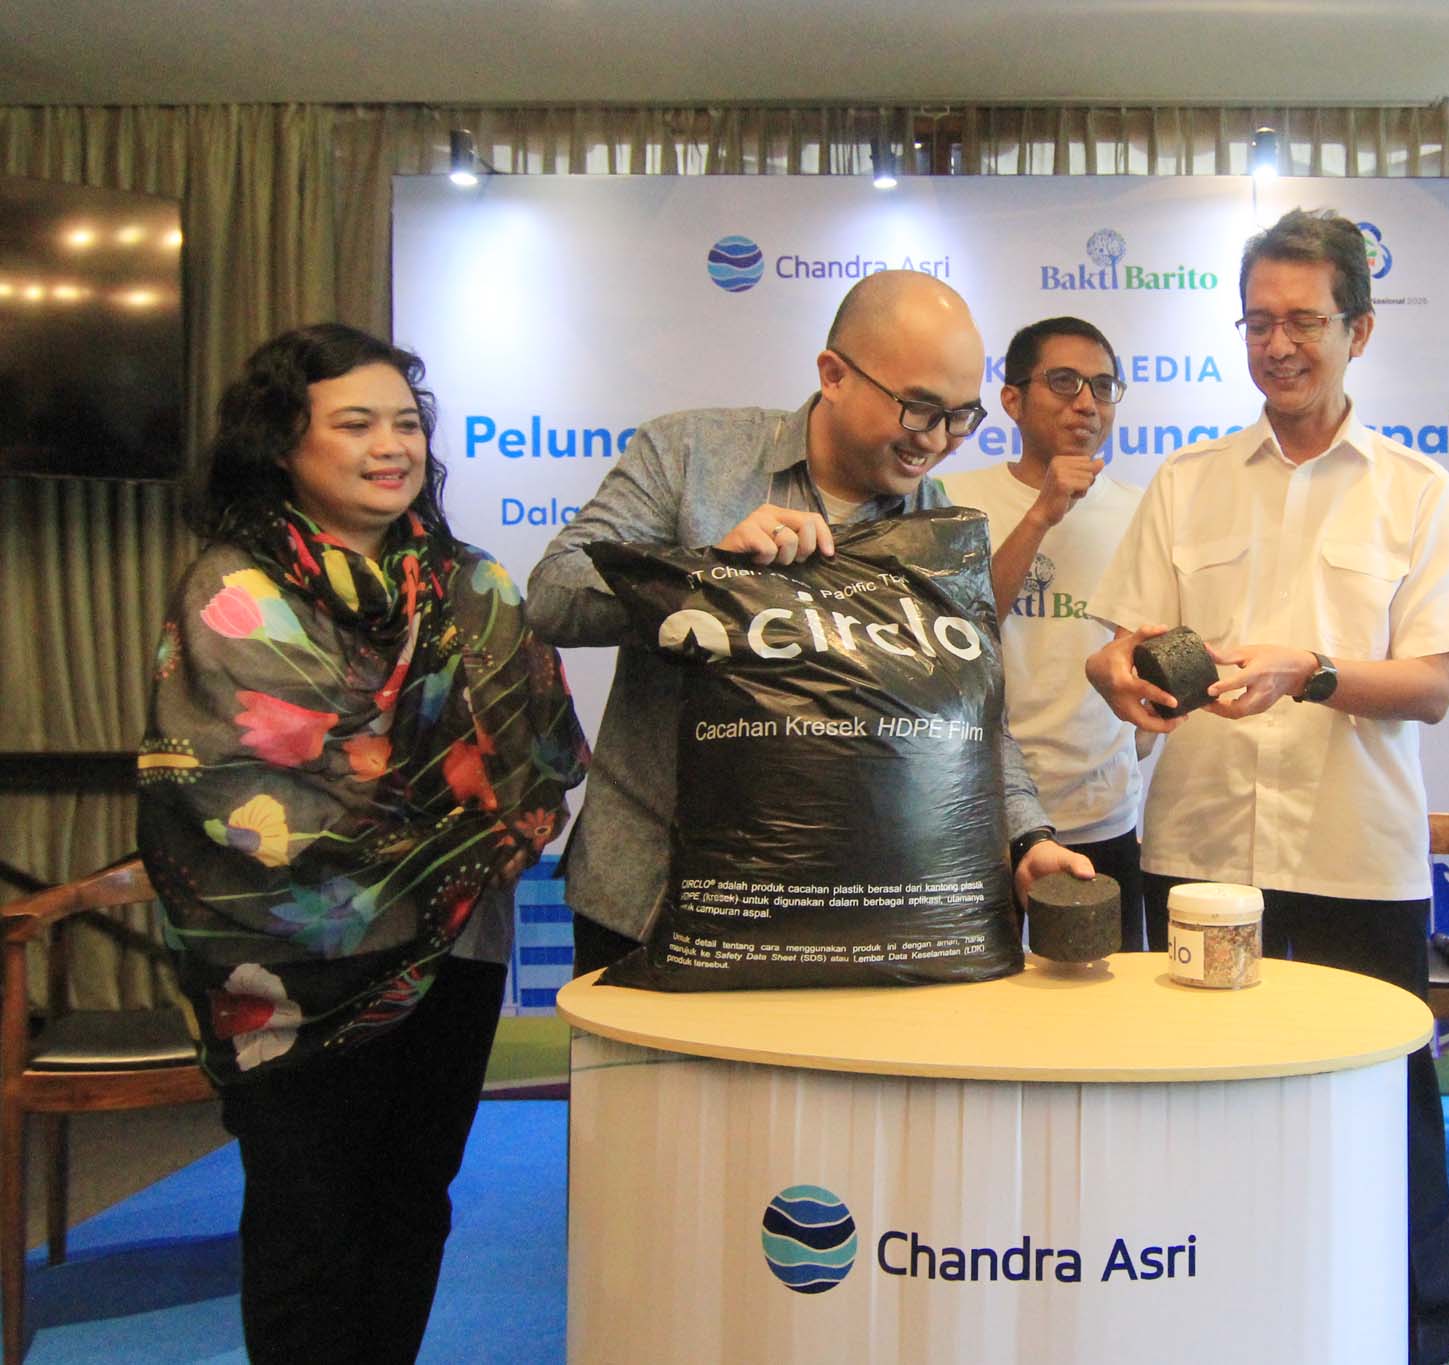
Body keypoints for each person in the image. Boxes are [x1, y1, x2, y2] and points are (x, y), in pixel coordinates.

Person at [1085, 208, 1449, 1365]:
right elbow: (1118, 647)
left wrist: (1308, 671)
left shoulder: (1417, 492)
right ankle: (1208, 1324)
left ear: (1357, 330)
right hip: (1197, 856)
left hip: (1354, 859)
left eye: (1302, 321)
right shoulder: (1185, 483)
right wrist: (1114, 674)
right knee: (1197, 1104)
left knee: (1384, 1110)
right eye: (1258, 322)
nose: (1277, 345)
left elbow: (1430, 687)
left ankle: (1415, 1335)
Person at [135, 323, 588, 1364]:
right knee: (307, 1222)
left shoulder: (474, 585)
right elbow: (232, 791)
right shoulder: (232, 592)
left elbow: (541, 752)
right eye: (355, 424)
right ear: (283, 444)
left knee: (413, 1200)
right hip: (292, 970)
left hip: (456, 949)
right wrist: (447, 833)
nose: (392, 446)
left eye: (406, 423)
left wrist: (451, 840)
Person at [528, 270, 1092, 975]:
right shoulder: (689, 454)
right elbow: (552, 595)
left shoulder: (935, 525)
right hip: (654, 903)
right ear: (834, 374)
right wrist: (705, 576)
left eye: (960, 416)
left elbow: (969, 714)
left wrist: (1029, 836)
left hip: (856, 917)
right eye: (919, 408)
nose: (939, 440)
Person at [942, 317, 1148, 950]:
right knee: (979, 997)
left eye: (1103, 386)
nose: (1086, 402)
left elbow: (1144, 648)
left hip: (1101, 809)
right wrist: (1042, 514)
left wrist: (1139, 738)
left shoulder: (1139, 509)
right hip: (979, 807)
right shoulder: (951, 499)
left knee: (1101, 993)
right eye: (1064, 382)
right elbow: (958, 631)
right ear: (1012, 399)